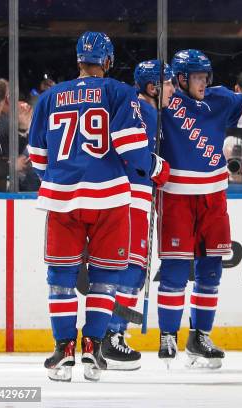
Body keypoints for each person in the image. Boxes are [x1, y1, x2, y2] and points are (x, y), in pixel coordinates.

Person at [27, 31, 169, 382]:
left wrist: (63, 176)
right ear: (107, 61)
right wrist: (155, 168)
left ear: (78, 60)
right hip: (109, 199)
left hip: (62, 200)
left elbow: (37, 158)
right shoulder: (119, 93)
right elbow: (131, 149)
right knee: (105, 279)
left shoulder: (49, 97)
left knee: (60, 279)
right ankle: (92, 350)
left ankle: (63, 352)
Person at [156, 49, 242, 369]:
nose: (204, 82)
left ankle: (200, 336)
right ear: (181, 79)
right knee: (174, 269)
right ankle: (168, 333)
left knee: (211, 269)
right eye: (198, 77)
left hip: (214, 197)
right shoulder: (165, 100)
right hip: (176, 196)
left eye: (206, 76)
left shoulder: (221, 99)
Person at [101, 59, 175, 370]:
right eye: (168, 83)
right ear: (152, 87)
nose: (173, 89)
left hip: (131, 197)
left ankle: (109, 334)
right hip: (131, 198)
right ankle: (111, 337)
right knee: (131, 268)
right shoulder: (142, 110)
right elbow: (133, 154)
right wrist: (156, 167)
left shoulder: (145, 110)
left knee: (130, 267)